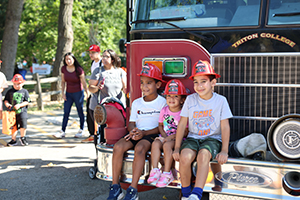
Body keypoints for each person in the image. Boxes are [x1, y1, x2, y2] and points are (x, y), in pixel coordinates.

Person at [173, 60, 232, 200]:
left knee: (203, 155)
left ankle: (196, 194)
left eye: (203, 81)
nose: (199, 86)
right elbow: (181, 124)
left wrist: (224, 150)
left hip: (212, 138)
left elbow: (225, 126)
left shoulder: (221, 100)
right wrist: (176, 148)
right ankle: (186, 194)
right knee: (185, 156)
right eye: (196, 82)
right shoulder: (190, 100)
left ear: (213, 83)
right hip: (193, 138)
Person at [107, 63, 166, 200]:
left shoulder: (162, 102)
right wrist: (133, 131)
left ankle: (133, 190)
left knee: (140, 148)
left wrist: (144, 133)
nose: (144, 86)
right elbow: (131, 122)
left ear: (158, 85)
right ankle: (115, 187)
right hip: (137, 133)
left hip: (151, 135)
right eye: (142, 83)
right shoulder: (137, 102)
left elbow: (162, 126)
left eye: (149, 83)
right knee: (118, 147)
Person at [147, 79, 188, 188]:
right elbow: (160, 125)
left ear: (182, 100)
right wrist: (164, 136)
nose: (171, 99)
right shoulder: (164, 110)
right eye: (169, 96)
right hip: (165, 137)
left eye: (176, 96)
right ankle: (155, 170)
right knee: (155, 144)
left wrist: (170, 138)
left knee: (167, 145)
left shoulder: (183, 112)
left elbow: (186, 131)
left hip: (177, 139)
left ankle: (167, 172)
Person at [88, 49, 126, 144]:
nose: (103, 58)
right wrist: (97, 87)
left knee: (117, 133)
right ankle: (99, 154)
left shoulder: (120, 72)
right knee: (101, 133)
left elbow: (125, 88)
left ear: (112, 59)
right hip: (101, 108)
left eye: (107, 57)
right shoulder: (98, 71)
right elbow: (90, 88)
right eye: (103, 56)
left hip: (117, 108)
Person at [53, 53, 88, 139]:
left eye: (70, 59)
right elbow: (63, 81)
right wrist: (63, 93)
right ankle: (63, 131)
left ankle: (81, 130)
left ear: (74, 59)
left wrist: (87, 94)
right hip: (68, 93)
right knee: (66, 112)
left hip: (78, 93)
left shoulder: (79, 69)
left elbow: (84, 83)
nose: (68, 61)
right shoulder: (64, 69)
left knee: (80, 111)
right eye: (66, 59)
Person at [82, 44, 102, 143]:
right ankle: (92, 134)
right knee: (90, 111)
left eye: (93, 52)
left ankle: (97, 134)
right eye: (90, 53)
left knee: (97, 114)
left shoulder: (102, 63)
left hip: (100, 92)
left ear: (99, 53)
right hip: (92, 91)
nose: (91, 55)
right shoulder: (93, 63)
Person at [4, 74, 31, 146]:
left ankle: (23, 137)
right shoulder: (10, 91)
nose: (16, 86)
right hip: (12, 112)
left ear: (22, 83)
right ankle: (13, 139)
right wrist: (7, 105)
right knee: (13, 126)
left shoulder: (25, 91)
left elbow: (27, 101)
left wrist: (20, 105)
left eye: (18, 84)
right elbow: (6, 100)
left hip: (22, 112)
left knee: (23, 125)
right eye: (14, 84)